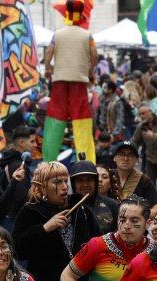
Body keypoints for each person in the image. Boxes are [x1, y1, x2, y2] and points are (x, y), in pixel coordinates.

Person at [42, 0, 98, 162]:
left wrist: (47, 69)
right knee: (81, 120)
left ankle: (48, 161)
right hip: (79, 80)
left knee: (55, 118)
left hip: (59, 79)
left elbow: (49, 52)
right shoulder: (87, 36)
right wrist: (90, 71)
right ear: (81, 16)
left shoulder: (57, 34)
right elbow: (94, 55)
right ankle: (87, 161)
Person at [112, 141, 157, 216]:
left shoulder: (144, 180)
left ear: (137, 160)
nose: (126, 158)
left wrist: (139, 216)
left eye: (130, 155)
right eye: (121, 154)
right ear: (114, 158)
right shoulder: (107, 176)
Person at [71, 160, 118, 235]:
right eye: (80, 180)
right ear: (73, 183)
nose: (85, 184)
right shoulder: (66, 207)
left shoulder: (112, 205)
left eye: (89, 180)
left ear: (95, 182)